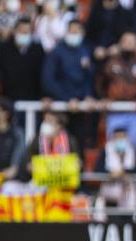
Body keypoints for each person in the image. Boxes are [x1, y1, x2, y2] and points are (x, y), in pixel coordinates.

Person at [41, 19, 95, 153]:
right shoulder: (56, 52)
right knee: (59, 144)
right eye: (72, 31)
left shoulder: (85, 50)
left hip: (80, 108)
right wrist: (67, 98)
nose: (74, 34)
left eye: (77, 31)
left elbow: (88, 77)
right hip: (60, 108)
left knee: (79, 145)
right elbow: (48, 80)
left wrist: (88, 95)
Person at [96, 31, 136, 147]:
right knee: (113, 147)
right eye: (125, 41)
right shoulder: (110, 63)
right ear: (120, 43)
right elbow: (100, 82)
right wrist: (102, 98)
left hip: (134, 111)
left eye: (131, 42)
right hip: (114, 111)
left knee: (132, 147)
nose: (128, 44)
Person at [0, 18, 46, 102]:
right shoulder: (4, 48)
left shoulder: (37, 49)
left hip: (32, 98)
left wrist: (44, 95)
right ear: (15, 31)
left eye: (27, 32)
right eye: (22, 31)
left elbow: (43, 73)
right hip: (8, 98)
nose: (24, 34)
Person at [94, 127, 136, 208]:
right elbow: (97, 170)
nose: (119, 140)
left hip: (129, 195)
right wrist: (111, 173)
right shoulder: (106, 150)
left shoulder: (133, 150)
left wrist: (124, 172)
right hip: (110, 196)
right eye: (117, 137)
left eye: (122, 137)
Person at [0, 97, 25, 182]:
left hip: (10, 178)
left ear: (7, 113)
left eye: (0, 110)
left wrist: (14, 168)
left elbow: (19, 155)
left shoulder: (17, 133)